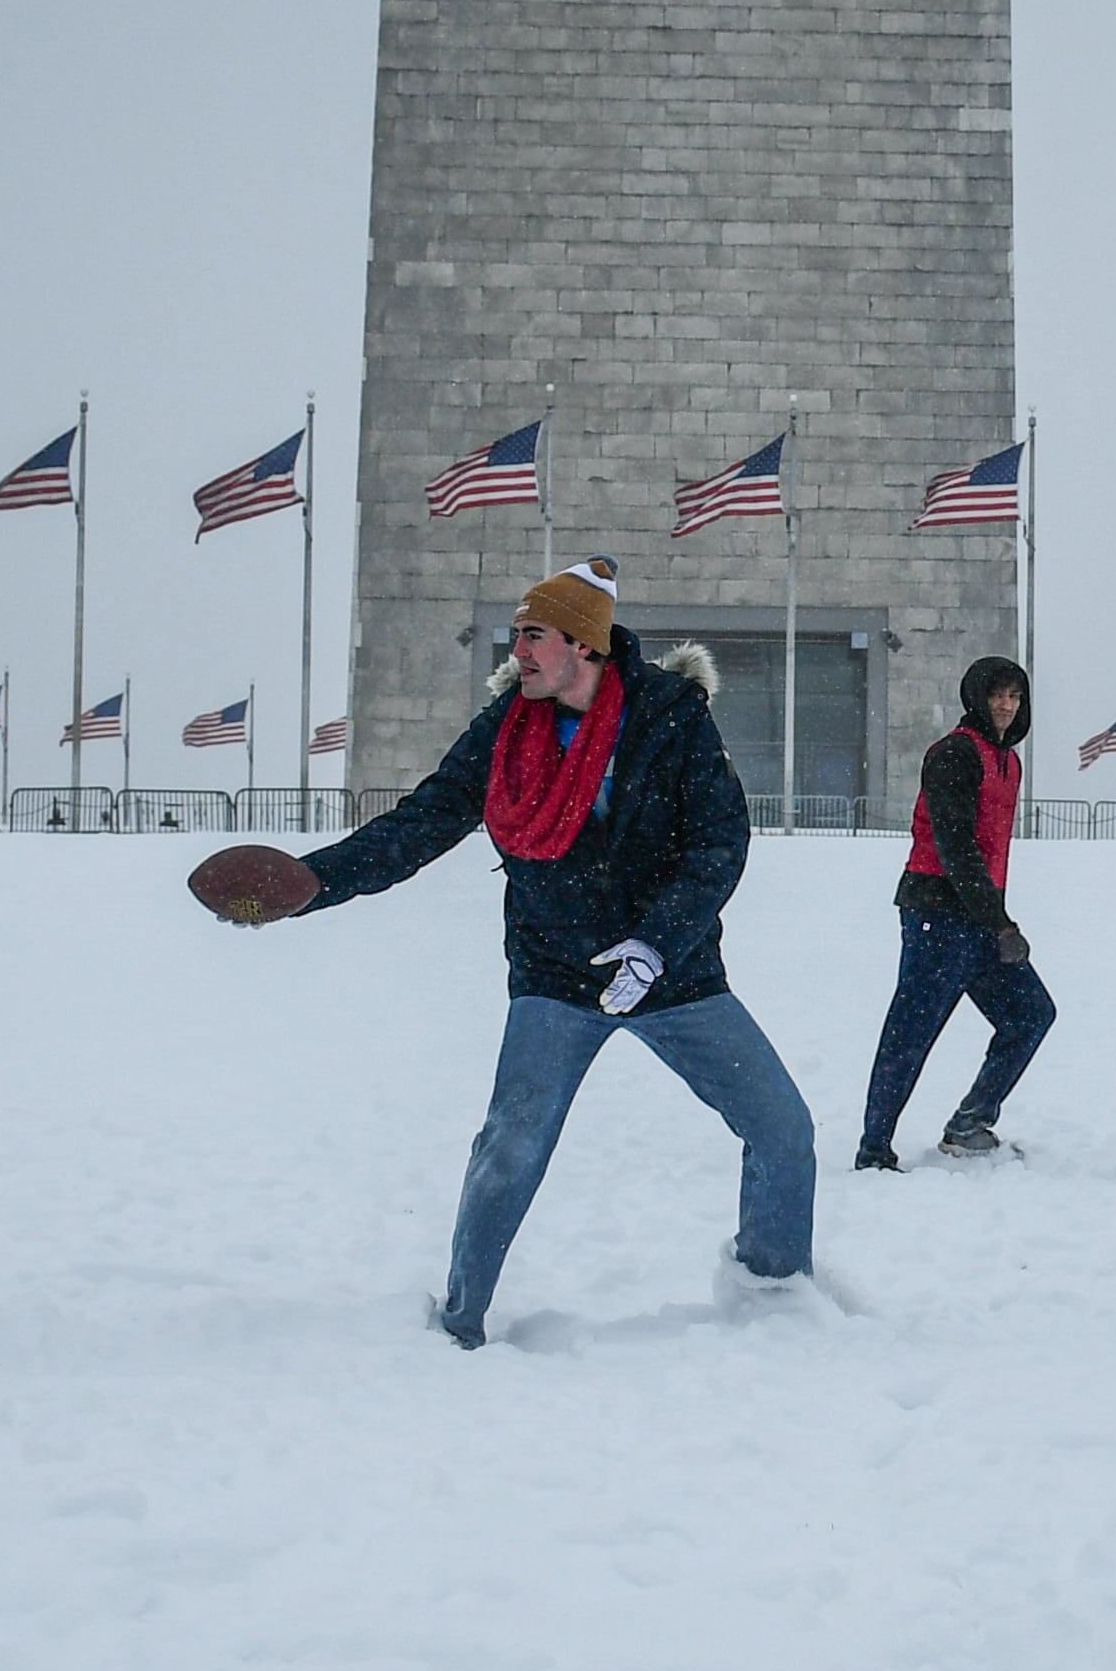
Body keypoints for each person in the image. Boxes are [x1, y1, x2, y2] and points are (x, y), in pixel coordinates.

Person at [236, 558, 812, 1348]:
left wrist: (655, 943)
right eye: (517, 635)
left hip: (671, 972)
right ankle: (458, 1325)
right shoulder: (507, 726)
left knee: (782, 1129)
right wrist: (312, 882)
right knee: (509, 1150)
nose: (518, 651)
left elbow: (719, 841)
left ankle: (774, 1299)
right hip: (555, 970)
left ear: (583, 644)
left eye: (533, 635)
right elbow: (423, 821)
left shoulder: (669, 714)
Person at [856, 655, 1053, 1168]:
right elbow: (956, 847)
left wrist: (994, 918)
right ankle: (874, 1149)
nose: (1007, 705)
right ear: (976, 698)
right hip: (937, 913)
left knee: (1030, 1014)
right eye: (998, 695)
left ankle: (969, 1125)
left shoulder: (1008, 761)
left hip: (980, 916)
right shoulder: (954, 754)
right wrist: (1000, 922)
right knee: (911, 1031)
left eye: (1015, 696)